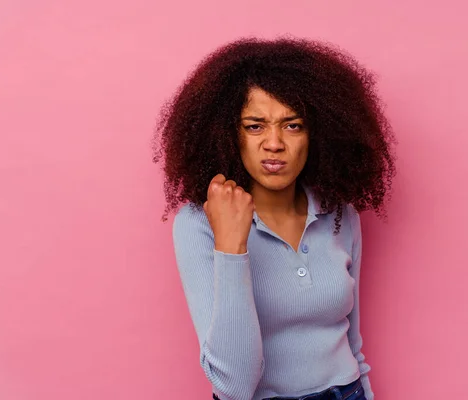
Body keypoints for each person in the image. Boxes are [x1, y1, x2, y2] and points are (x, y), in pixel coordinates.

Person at [153, 36, 395, 400]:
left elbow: (353, 342)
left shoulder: (339, 214)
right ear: (228, 134)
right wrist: (231, 245)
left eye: (292, 125)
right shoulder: (199, 223)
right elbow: (233, 386)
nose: (274, 143)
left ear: (319, 134)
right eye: (255, 125)